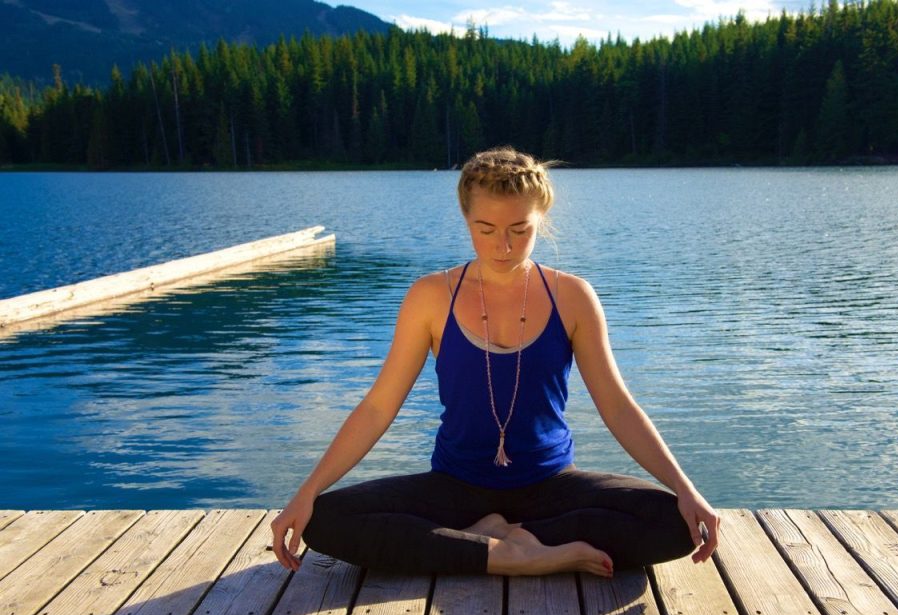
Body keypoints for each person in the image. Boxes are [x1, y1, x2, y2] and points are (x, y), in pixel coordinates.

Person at [271, 147, 720, 577]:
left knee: (677, 523)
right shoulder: (431, 296)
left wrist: (685, 488)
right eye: (486, 230)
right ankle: (516, 555)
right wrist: (307, 491)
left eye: (519, 230)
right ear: (466, 219)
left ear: (541, 219)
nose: (503, 245)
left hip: (552, 487)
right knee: (322, 519)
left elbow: (618, 407)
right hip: (454, 487)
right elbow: (377, 407)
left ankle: (488, 542)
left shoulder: (573, 297)